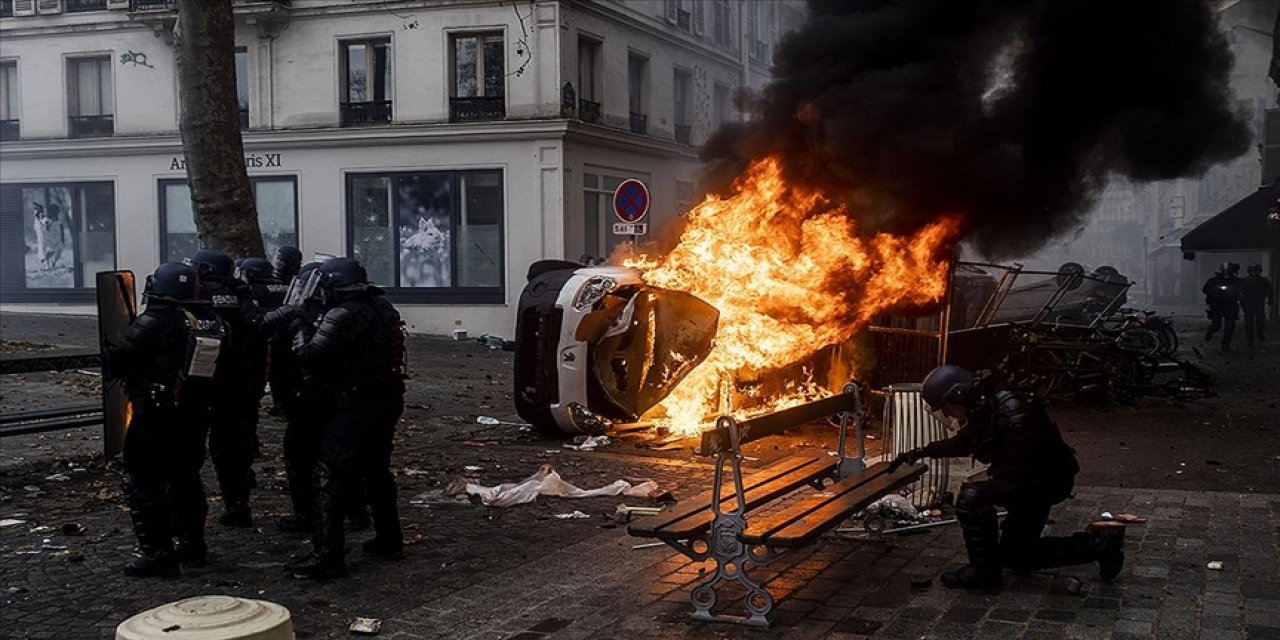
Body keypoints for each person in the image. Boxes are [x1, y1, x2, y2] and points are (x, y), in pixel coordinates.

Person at [888, 365, 1124, 589]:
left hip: (1043, 481)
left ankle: (984, 572)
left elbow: (1018, 465)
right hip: (1034, 479)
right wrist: (920, 452)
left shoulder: (1012, 410)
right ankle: (1101, 545)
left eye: (946, 406)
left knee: (973, 496)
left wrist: (992, 492)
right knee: (1018, 557)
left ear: (958, 394)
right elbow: (966, 441)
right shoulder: (985, 405)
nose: (948, 413)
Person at [284, 257, 406, 578]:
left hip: (357, 403)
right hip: (387, 400)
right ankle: (389, 538)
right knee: (377, 471)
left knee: (331, 474)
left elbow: (310, 357)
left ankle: (328, 555)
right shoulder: (383, 309)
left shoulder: (343, 314)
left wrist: (301, 327)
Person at [106, 262, 221, 577]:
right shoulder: (210, 320)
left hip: (156, 413)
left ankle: (158, 552)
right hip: (194, 413)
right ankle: (193, 545)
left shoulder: (154, 320)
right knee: (186, 478)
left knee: (142, 480)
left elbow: (119, 360)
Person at [189, 248, 261, 527]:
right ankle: (238, 506)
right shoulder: (241, 293)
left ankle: (187, 521)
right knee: (232, 450)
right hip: (237, 381)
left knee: (191, 451)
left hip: (201, 382)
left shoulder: (197, 295)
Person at [238, 257, 287, 456]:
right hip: (277, 343)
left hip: (254, 349)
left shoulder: (251, 292)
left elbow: (252, 320)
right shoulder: (284, 286)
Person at [269, 246, 304, 414]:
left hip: (293, 329)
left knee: (292, 368)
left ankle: (290, 401)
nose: (278, 264)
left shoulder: (300, 280)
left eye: (281, 260)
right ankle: (279, 402)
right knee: (276, 369)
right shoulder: (269, 280)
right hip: (276, 330)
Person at [1204, 263, 1242, 352]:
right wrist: (1215, 290)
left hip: (1231, 305)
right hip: (1218, 305)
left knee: (1230, 326)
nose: (1228, 273)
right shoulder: (1215, 280)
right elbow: (1206, 290)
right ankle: (1210, 331)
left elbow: (1242, 289)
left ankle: (1225, 344)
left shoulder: (1235, 280)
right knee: (1217, 325)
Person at [1241, 264, 1272, 346]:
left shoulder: (1263, 281)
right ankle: (1250, 338)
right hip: (1248, 304)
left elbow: (1269, 290)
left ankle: (1260, 335)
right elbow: (1240, 292)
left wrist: (1270, 299)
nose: (1254, 273)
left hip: (1259, 303)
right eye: (1253, 271)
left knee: (1260, 321)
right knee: (1249, 322)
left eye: (1256, 271)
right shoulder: (1245, 281)